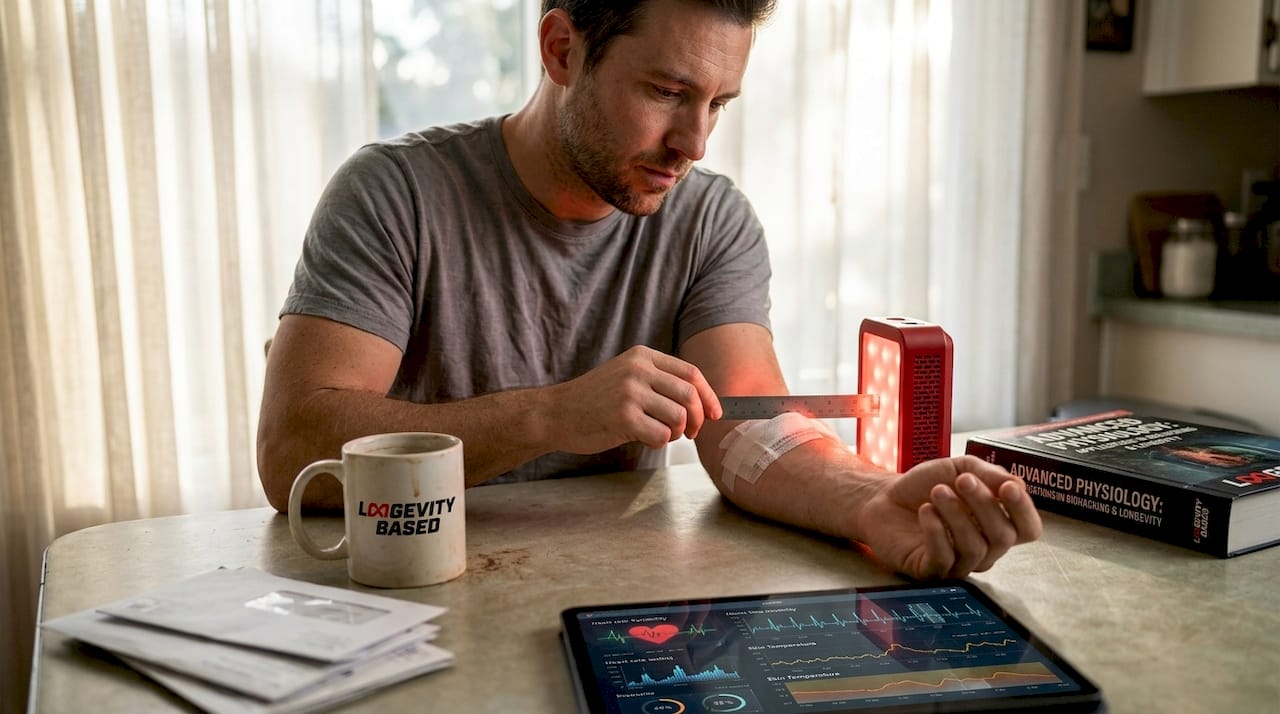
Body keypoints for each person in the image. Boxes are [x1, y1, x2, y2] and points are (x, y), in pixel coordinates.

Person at [257, 0, 1042, 580]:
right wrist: (554, 413)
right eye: (667, 93)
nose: (694, 144)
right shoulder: (392, 194)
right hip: (400, 602)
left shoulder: (710, 220)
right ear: (562, 48)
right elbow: (292, 448)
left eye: (717, 104)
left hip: (617, 599)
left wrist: (872, 501)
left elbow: (750, 426)